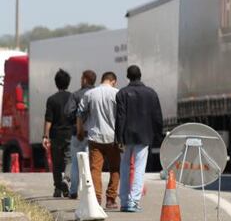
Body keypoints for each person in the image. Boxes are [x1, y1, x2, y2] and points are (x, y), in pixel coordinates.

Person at [115, 65, 163, 213]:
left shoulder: (122, 93)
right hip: (144, 136)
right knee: (139, 168)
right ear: (140, 75)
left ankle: (123, 201)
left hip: (126, 135)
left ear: (127, 76)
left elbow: (120, 117)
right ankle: (134, 201)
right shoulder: (151, 93)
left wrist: (118, 137)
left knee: (124, 167)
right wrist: (158, 135)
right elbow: (157, 117)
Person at [77, 71, 121, 209]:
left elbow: (80, 113)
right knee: (115, 168)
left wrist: (80, 130)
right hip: (113, 137)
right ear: (113, 81)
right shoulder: (117, 94)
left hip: (94, 137)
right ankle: (111, 199)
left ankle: (96, 199)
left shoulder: (90, 94)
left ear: (102, 80)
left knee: (95, 169)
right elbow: (122, 116)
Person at [64, 70, 97, 199]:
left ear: (84, 80)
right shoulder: (97, 94)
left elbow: (68, 112)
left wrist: (77, 122)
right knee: (92, 164)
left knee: (76, 164)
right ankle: (90, 191)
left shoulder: (76, 95)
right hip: (94, 134)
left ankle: (73, 191)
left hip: (77, 134)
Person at [43, 69, 73, 198]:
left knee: (56, 162)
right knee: (69, 160)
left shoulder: (51, 100)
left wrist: (45, 136)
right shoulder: (72, 97)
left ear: (56, 83)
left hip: (56, 135)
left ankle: (57, 189)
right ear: (68, 83)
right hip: (70, 133)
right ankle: (66, 179)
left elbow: (48, 120)